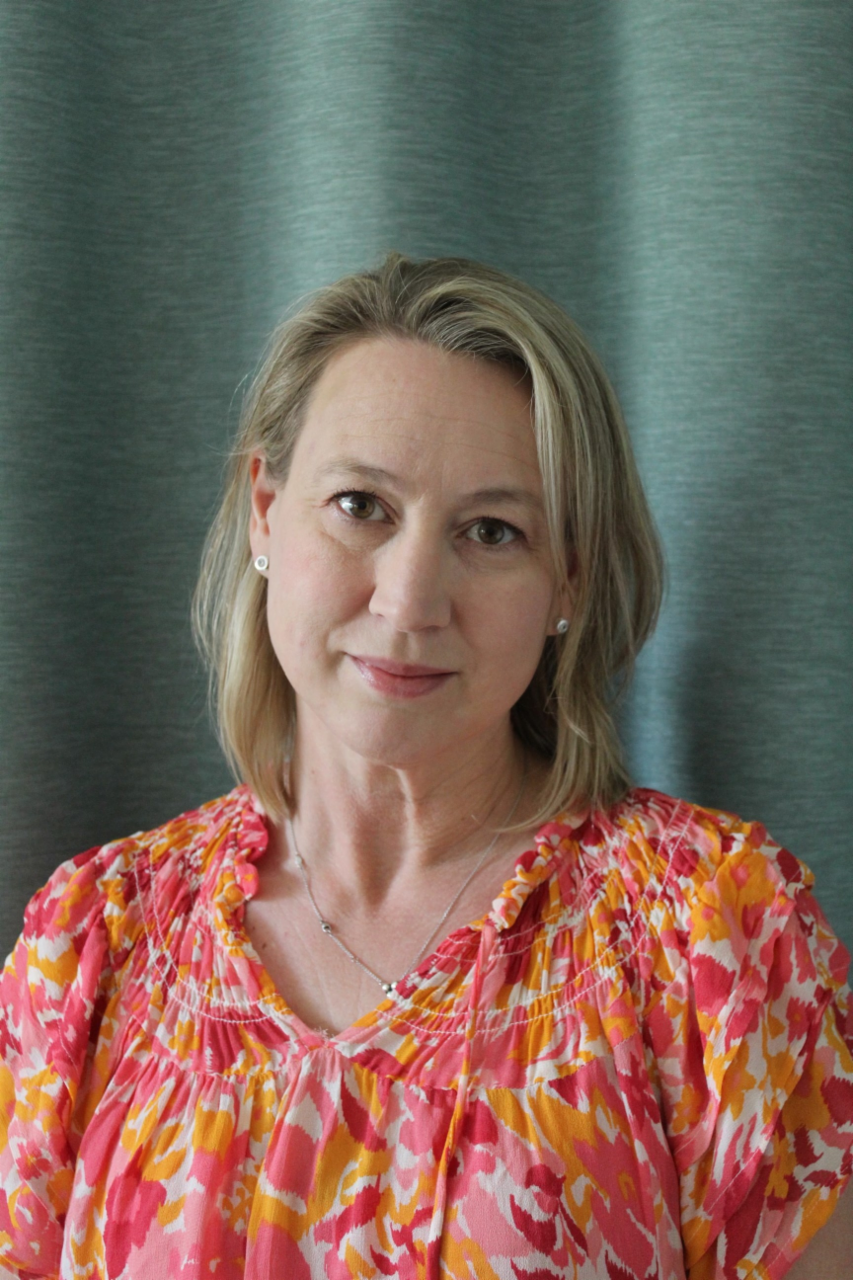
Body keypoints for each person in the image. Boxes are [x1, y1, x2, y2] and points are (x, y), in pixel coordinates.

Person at [0, 253, 850, 1280]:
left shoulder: (713, 933)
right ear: (265, 508)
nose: (409, 601)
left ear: (566, 576)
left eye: (491, 531)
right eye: (361, 505)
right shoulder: (88, 948)